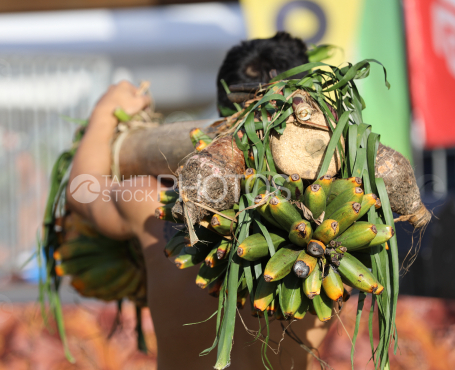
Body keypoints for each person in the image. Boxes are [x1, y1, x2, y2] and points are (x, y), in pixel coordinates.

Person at [67, 32, 331, 370]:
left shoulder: (155, 203)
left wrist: (106, 113)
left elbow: (82, 191)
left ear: (221, 110)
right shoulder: (344, 220)